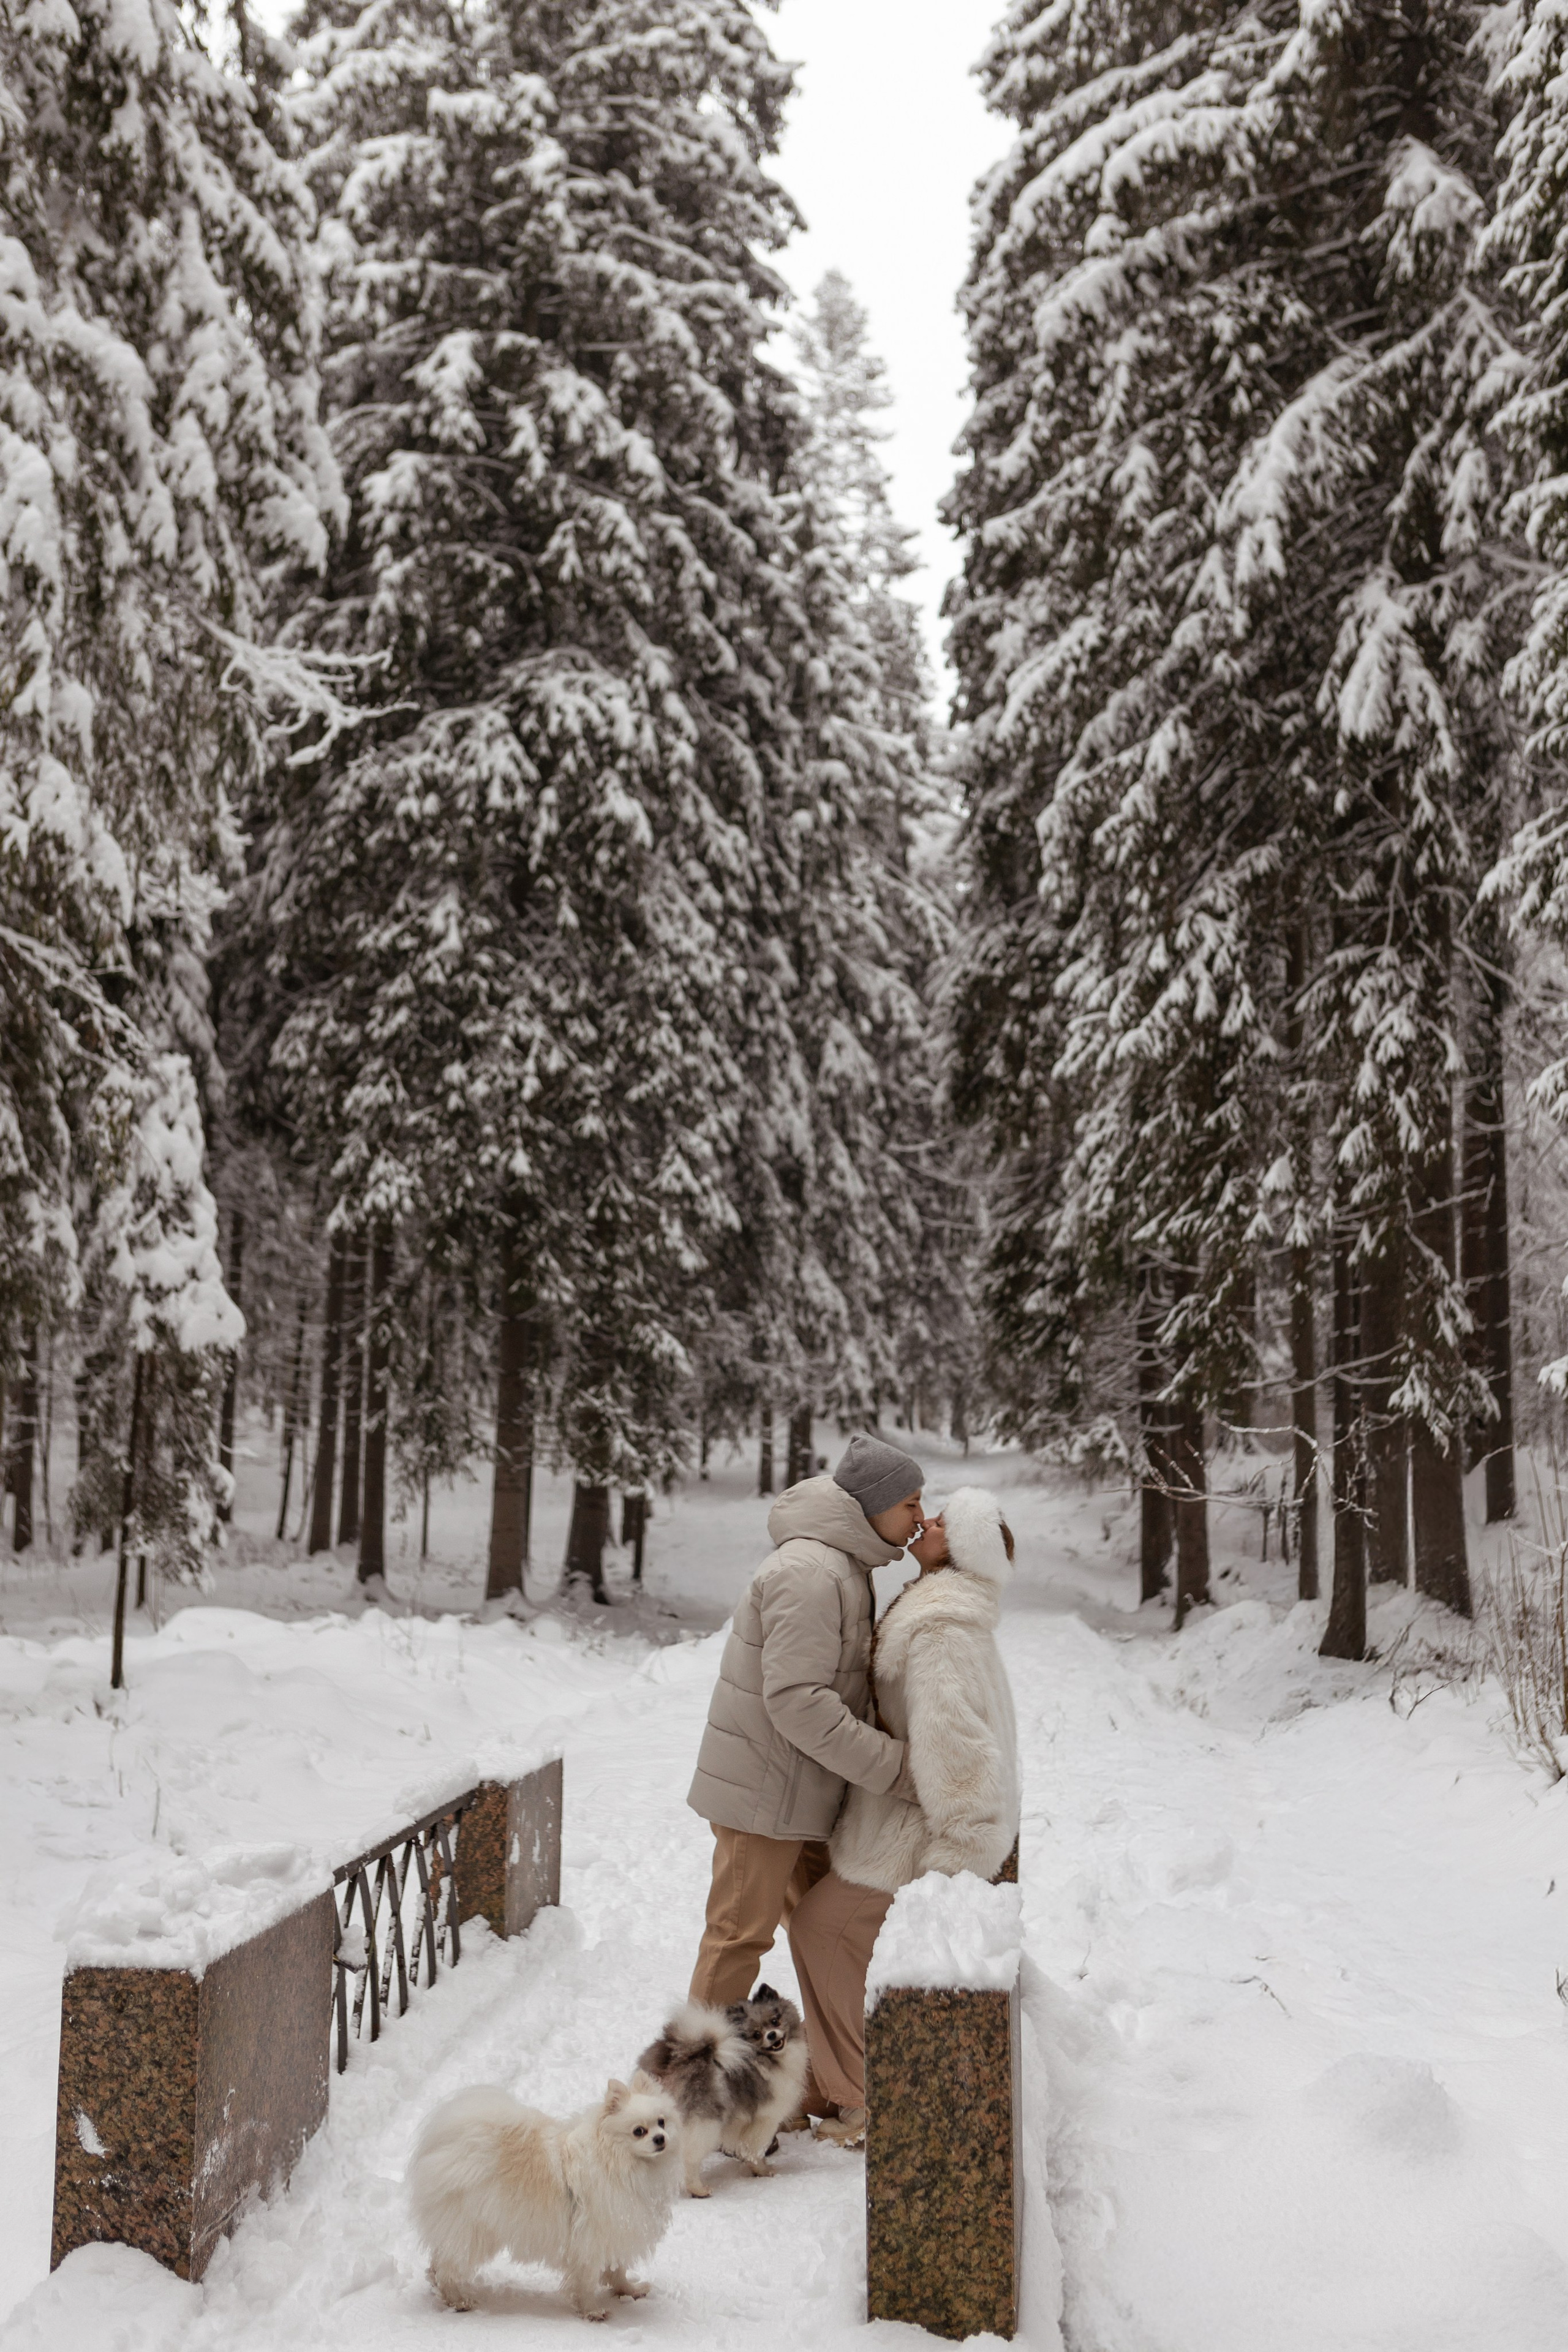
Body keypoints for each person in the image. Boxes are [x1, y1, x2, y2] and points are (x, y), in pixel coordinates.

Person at [788, 1485, 1020, 2146]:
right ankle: (842, 2077)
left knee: (821, 1929)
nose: (929, 1521)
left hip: (916, 1834)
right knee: (828, 1935)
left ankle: (866, 2097)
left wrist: (953, 1857)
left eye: (945, 1522)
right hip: (899, 1819)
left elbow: (959, 1745)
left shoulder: (940, 1627)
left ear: (962, 1550)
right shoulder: (938, 1609)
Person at [685, 1433, 925, 2011]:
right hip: (764, 1797)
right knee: (738, 1938)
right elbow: (799, 1701)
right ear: (874, 1507)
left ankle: (835, 2059)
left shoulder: (843, 1564)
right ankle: (692, 2069)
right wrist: (897, 1769)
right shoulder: (812, 1573)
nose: (921, 1518)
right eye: (911, 1503)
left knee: (828, 1933)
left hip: (802, 1790)